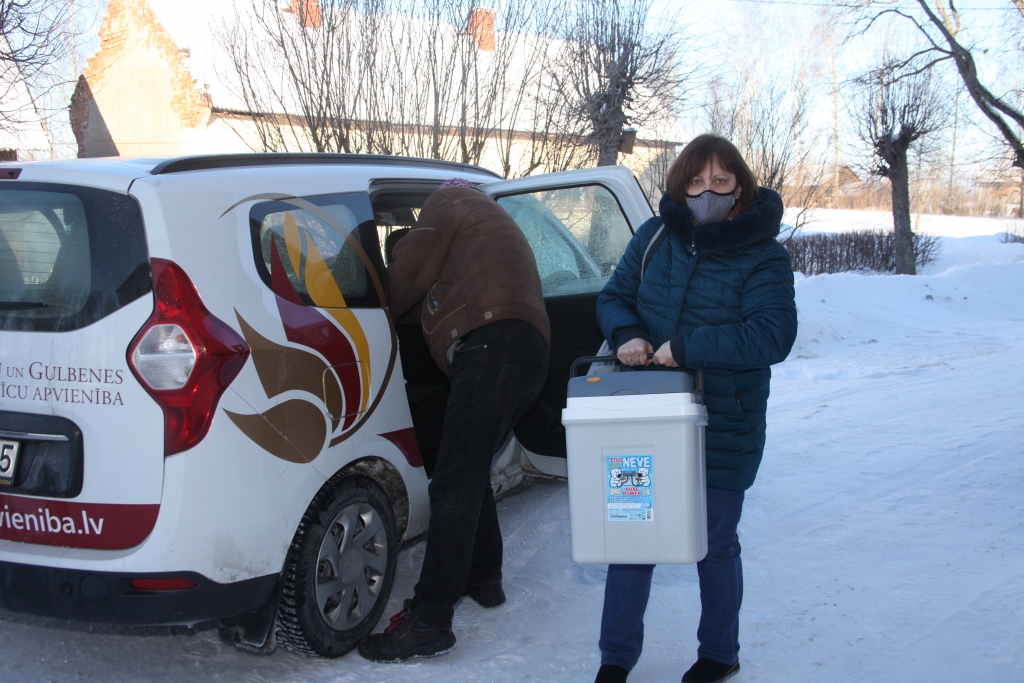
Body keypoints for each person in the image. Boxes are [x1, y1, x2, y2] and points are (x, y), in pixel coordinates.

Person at [592, 135, 798, 683]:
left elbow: (773, 334)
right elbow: (613, 297)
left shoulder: (765, 255)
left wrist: (687, 347)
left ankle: (719, 654)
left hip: (723, 423)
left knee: (713, 544)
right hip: (647, 416)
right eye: (696, 182)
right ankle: (615, 660)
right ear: (680, 186)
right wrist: (628, 333)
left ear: (739, 190)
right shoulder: (655, 237)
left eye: (720, 182)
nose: (707, 193)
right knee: (631, 538)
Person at [358, 178, 551, 663]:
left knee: (453, 484)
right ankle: (484, 579)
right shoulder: (487, 223)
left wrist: (371, 301)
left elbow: (405, 278)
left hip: (491, 346)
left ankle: (429, 622)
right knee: (468, 469)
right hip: (525, 351)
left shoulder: (446, 200)